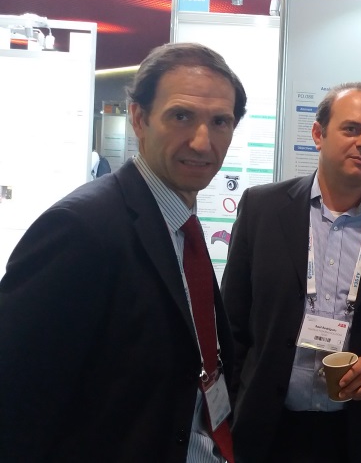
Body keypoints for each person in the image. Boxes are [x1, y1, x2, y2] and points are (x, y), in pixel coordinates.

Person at [0, 42, 247, 462]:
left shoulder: (180, 223)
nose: (202, 142)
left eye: (220, 121)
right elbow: (17, 402)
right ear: (138, 118)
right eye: (181, 116)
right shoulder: (80, 230)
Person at [222, 82, 361, 463]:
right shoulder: (263, 209)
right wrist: (228, 412)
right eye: (351, 129)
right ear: (318, 134)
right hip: (266, 428)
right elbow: (232, 322)